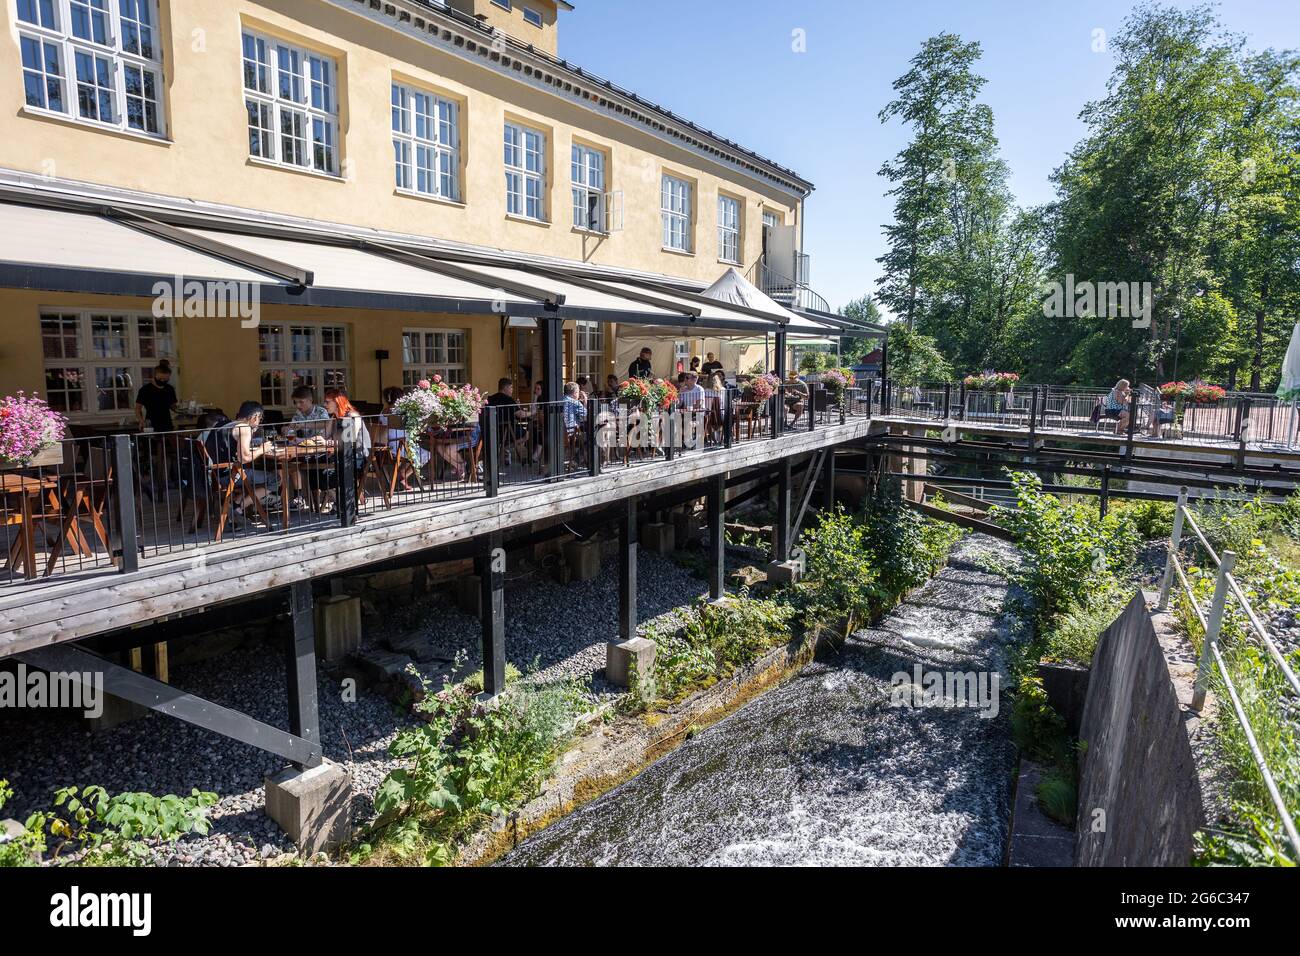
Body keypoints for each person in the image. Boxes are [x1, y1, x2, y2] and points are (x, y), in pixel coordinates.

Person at [205, 400, 279, 526]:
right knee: (275, 479)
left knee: (255, 476)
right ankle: (238, 507)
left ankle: (234, 503)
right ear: (255, 417)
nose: (259, 422)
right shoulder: (244, 428)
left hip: (213, 475)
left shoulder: (223, 423)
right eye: (260, 419)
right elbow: (244, 457)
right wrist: (262, 449)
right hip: (228, 476)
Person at [134, 360, 177, 432]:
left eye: (165, 379)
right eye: (160, 379)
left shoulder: (169, 389)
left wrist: (184, 410)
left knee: (167, 442)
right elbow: (138, 409)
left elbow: (173, 406)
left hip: (167, 423)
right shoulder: (145, 389)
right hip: (151, 423)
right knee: (151, 442)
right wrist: (141, 421)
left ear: (169, 377)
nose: (162, 381)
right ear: (154, 375)